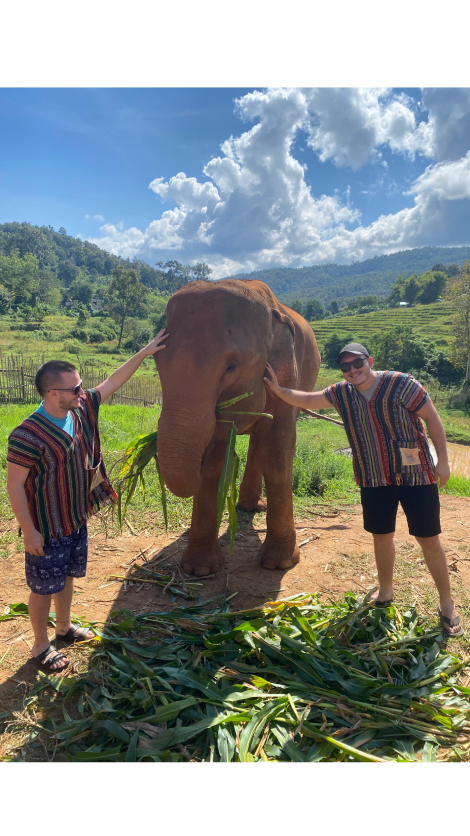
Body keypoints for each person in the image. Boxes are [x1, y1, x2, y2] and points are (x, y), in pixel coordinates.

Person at [264, 341, 463, 637]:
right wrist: (279, 390)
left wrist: (443, 461)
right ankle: (385, 592)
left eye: (357, 363)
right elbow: (307, 398)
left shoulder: (401, 384)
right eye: (346, 366)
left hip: (416, 475)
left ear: (369, 360)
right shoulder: (341, 393)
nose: (353, 370)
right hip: (373, 477)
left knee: (428, 538)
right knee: (381, 536)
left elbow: (432, 418)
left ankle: (447, 604)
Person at [7, 329, 169, 672]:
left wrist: (145, 351)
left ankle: (63, 628)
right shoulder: (25, 435)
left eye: (82, 386)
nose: (83, 392)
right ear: (53, 393)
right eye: (75, 388)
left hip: (75, 518)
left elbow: (113, 381)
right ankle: (40, 644)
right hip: (46, 527)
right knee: (42, 587)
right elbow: (15, 487)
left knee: (66, 577)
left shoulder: (80, 410)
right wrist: (30, 531)